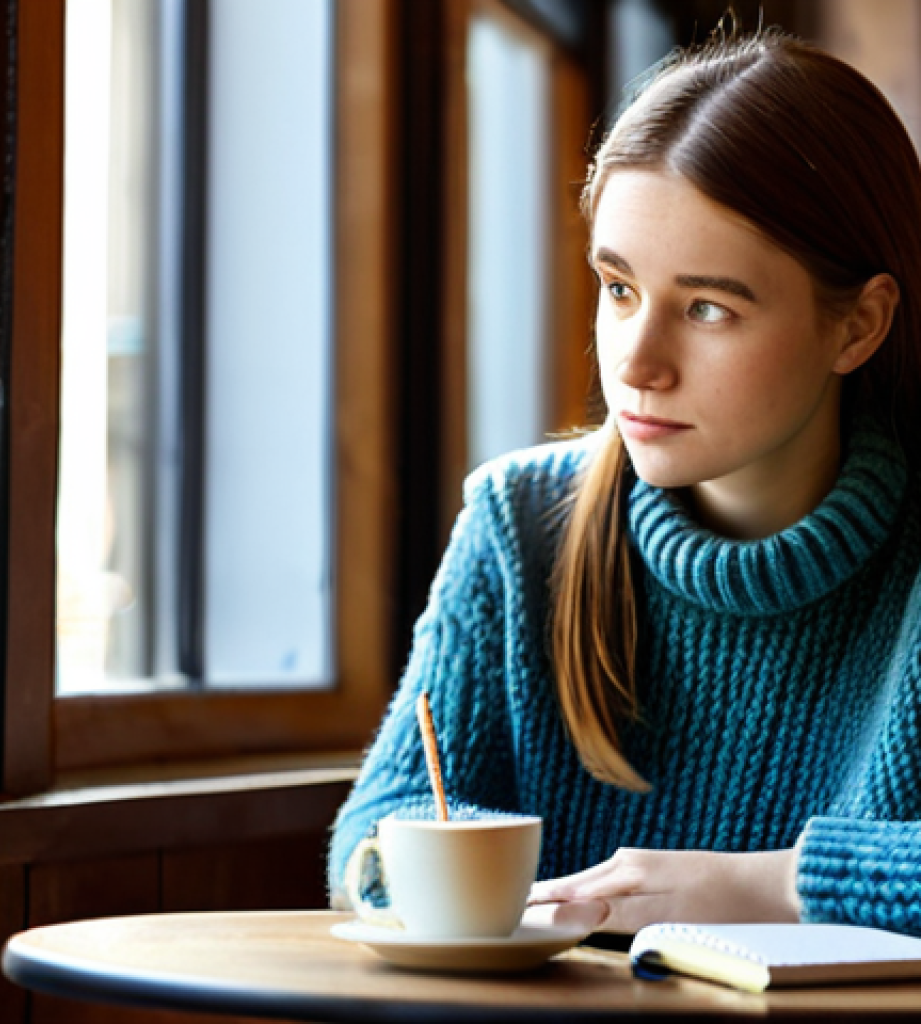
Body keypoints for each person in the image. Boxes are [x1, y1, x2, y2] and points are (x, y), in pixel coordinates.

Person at [328, 26, 921, 939]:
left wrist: (775, 885)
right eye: (618, 289)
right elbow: (375, 836)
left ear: (858, 326)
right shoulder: (522, 521)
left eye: (708, 307)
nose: (637, 364)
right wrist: (543, 898)